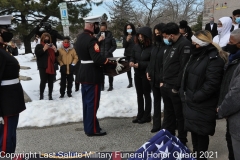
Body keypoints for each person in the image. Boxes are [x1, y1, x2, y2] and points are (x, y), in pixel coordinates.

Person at [180, 30, 227, 160]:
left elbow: (212, 84)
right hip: (192, 101)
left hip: (202, 103)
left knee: (201, 136)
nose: (192, 45)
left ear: (202, 44)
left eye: (195, 43)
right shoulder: (196, 54)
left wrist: (195, 97)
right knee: (195, 133)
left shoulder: (214, 59)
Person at [75, 15, 123, 136]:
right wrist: (110, 62)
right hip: (92, 74)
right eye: (97, 25)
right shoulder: (91, 40)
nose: (97, 28)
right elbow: (97, 58)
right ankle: (92, 129)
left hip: (83, 73)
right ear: (92, 25)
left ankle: (88, 126)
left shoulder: (80, 37)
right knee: (92, 104)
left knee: (86, 103)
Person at [160, 22, 191, 145]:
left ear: (171, 35)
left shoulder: (184, 45)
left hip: (175, 88)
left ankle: (182, 140)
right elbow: (166, 63)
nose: (164, 39)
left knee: (180, 115)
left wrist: (176, 87)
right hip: (166, 85)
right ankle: (169, 137)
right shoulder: (170, 44)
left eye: (165, 36)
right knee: (168, 114)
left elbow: (183, 68)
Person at [0, 15, 26, 154]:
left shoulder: (4, 50)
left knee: (10, 136)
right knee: (5, 140)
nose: (8, 32)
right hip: (6, 103)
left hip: (11, 101)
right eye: (5, 30)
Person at [218, 28, 240, 160]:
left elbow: (236, 94)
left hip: (236, 117)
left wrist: (222, 110)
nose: (228, 44)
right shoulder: (232, 58)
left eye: (231, 42)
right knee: (230, 144)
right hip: (231, 115)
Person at [130, 26, 152, 124]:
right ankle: (140, 114)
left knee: (146, 94)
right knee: (139, 95)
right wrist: (131, 62)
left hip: (146, 74)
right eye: (139, 36)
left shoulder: (152, 47)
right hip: (137, 73)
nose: (140, 38)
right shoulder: (136, 46)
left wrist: (140, 64)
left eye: (142, 36)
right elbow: (132, 56)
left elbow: (152, 62)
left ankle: (147, 115)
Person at [146, 23, 165, 132]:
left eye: (159, 33)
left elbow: (166, 65)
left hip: (162, 80)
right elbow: (151, 61)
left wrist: (162, 78)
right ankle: (156, 124)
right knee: (156, 102)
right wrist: (148, 71)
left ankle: (166, 125)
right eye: (155, 33)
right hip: (153, 78)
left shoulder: (166, 47)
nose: (157, 35)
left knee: (167, 104)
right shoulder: (154, 46)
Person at [35, 33, 59, 100]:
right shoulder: (39, 46)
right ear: (42, 38)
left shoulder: (52, 45)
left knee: (51, 81)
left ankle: (50, 95)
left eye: (48, 37)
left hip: (51, 66)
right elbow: (37, 54)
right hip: (43, 66)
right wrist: (44, 49)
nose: (46, 39)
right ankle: (41, 95)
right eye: (45, 37)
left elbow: (57, 55)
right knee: (43, 81)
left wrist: (55, 50)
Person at [96, 22, 117, 91]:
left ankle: (111, 85)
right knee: (101, 72)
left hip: (109, 56)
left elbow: (114, 45)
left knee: (110, 71)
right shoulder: (98, 36)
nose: (102, 31)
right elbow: (95, 46)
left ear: (106, 29)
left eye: (104, 29)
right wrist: (98, 41)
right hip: (101, 56)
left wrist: (109, 51)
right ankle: (102, 85)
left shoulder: (110, 35)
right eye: (101, 29)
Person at [122, 23, 136, 88]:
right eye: (128, 28)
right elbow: (124, 46)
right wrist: (127, 40)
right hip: (127, 54)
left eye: (130, 28)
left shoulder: (135, 36)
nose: (129, 29)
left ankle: (137, 81)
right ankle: (130, 82)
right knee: (128, 69)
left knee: (136, 68)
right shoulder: (125, 36)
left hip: (135, 54)